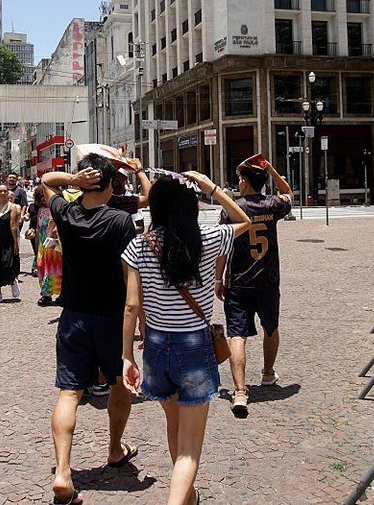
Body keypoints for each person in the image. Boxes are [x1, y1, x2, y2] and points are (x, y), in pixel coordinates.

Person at [121, 170, 250, 505]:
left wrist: (126, 355)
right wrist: (212, 188)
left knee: (174, 425)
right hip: (193, 344)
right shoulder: (208, 238)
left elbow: (132, 304)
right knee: (190, 448)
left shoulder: (139, 245)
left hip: (156, 346)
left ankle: (188, 495)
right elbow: (244, 220)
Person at [40, 154, 139, 505]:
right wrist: (138, 325)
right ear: (110, 185)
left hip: (74, 315)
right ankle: (114, 449)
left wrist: (72, 180)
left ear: (85, 183)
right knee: (119, 384)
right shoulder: (121, 221)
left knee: (69, 393)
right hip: (111, 317)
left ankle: (63, 473)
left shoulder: (66, 214)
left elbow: (46, 181)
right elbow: (130, 278)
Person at [217, 154, 293, 417]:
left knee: (237, 335)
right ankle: (268, 373)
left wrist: (218, 279)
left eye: (241, 179)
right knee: (270, 327)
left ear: (245, 183)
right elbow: (288, 193)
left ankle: (239, 391)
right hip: (268, 280)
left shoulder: (233, 209)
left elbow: (222, 246)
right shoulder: (273, 205)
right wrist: (270, 169)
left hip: (238, 281)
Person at [34, 186, 63, 307]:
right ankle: (46, 294)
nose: (43, 199)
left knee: (54, 268)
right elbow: (38, 226)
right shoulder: (40, 210)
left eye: (45, 196)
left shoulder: (56, 208)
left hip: (53, 244)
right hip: (43, 244)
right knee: (42, 266)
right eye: (41, 196)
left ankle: (60, 294)